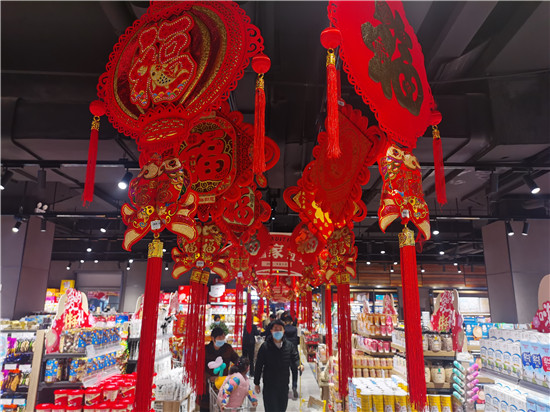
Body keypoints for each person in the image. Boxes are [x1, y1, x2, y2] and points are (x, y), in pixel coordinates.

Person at [254, 320, 303, 412]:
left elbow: (295, 358)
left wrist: (299, 365)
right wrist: (256, 383)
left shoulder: (289, 345)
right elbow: (259, 365)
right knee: (270, 408)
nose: (278, 331)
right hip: (269, 384)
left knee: (282, 408)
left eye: (280, 329)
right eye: (275, 329)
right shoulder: (265, 347)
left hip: (283, 384)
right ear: (271, 331)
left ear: (284, 331)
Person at [198, 327, 239, 412]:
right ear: (213, 338)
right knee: (206, 408)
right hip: (207, 387)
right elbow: (198, 368)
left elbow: (237, 360)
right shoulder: (204, 350)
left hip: (223, 386)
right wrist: (209, 377)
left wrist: (238, 371)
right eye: (220, 337)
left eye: (223, 337)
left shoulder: (227, 348)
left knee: (222, 407)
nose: (222, 339)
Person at [283, 315, 300, 399]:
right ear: (291, 322)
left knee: (285, 372)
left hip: (285, 353)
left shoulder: (283, 330)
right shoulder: (295, 329)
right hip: (294, 352)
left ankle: (285, 388)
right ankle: (294, 386)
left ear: (285, 322)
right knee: (294, 371)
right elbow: (298, 341)